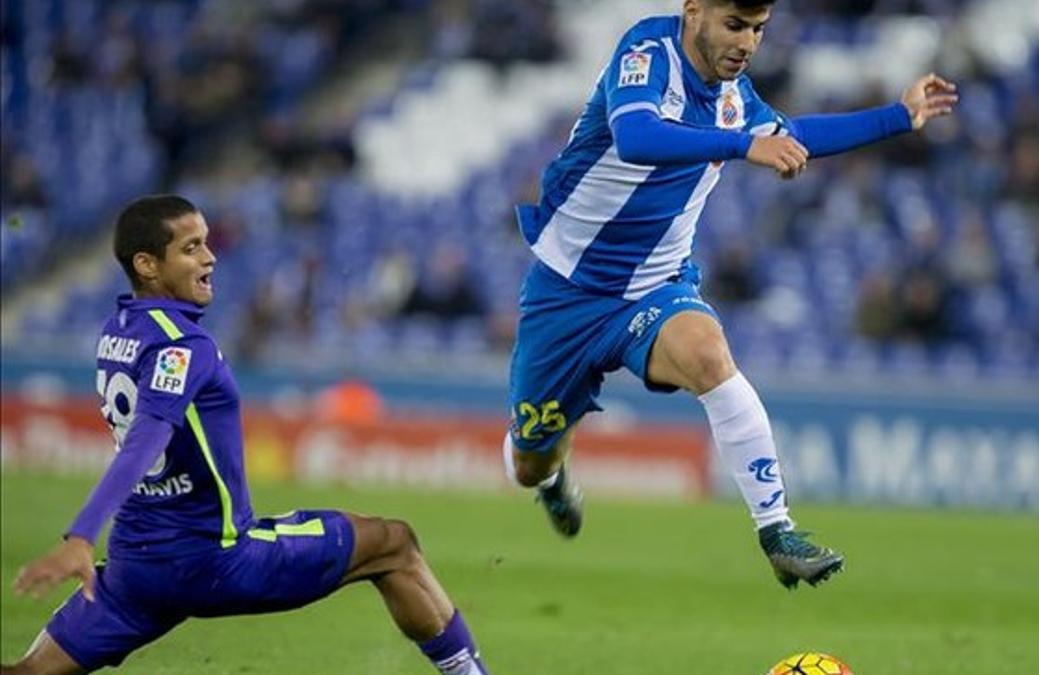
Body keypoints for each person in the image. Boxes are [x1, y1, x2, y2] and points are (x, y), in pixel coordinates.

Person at [504, 0, 957, 589]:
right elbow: (638, 136)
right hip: (566, 294)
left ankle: (778, 531)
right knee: (528, 459)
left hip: (653, 289)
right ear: (694, 12)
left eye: (759, 30)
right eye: (735, 25)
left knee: (708, 354)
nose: (747, 43)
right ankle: (552, 475)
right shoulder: (646, 54)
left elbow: (795, 136)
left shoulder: (735, 98)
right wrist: (741, 146)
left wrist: (898, 115)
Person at [3, 196, 489, 675]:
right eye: (191, 248)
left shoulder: (119, 328)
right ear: (148, 265)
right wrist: (81, 535)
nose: (210, 257)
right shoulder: (183, 345)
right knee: (394, 544)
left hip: (136, 569)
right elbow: (146, 437)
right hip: (214, 560)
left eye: (207, 243)